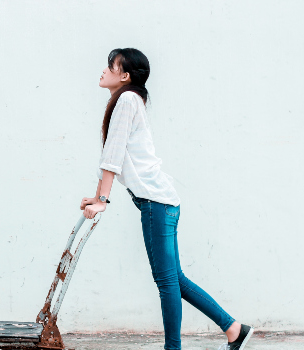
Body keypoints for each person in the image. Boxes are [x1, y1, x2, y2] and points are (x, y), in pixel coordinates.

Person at [78, 48, 254, 350]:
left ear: (125, 76)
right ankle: (234, 330)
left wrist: (103, 200)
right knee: (175, 278)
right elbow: (112, 155)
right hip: (162, 201)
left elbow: (113, 155)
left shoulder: (127, 100)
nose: (104, 70)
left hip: (155, 204)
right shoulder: (126, 100)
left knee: (167, 281)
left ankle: (173, 348)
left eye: (111, 65)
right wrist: (97, 197)